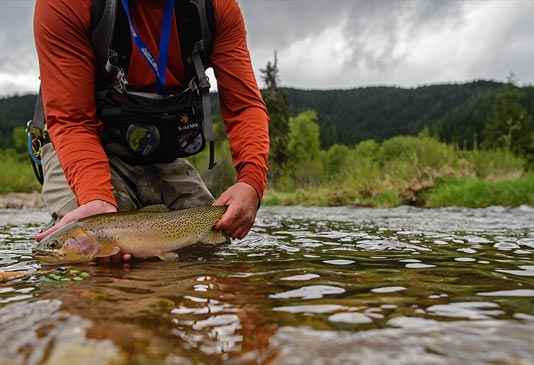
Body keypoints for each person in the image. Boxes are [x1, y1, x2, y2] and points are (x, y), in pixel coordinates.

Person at [33, 0, 270, 261]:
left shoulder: (215, 8)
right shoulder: (68, 4)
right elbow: (72, 120)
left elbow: (244, 106)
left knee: (208, 249)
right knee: (96, 261)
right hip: (81, 147)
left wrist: (251, 182)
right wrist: (96, 199)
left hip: (162, 156)